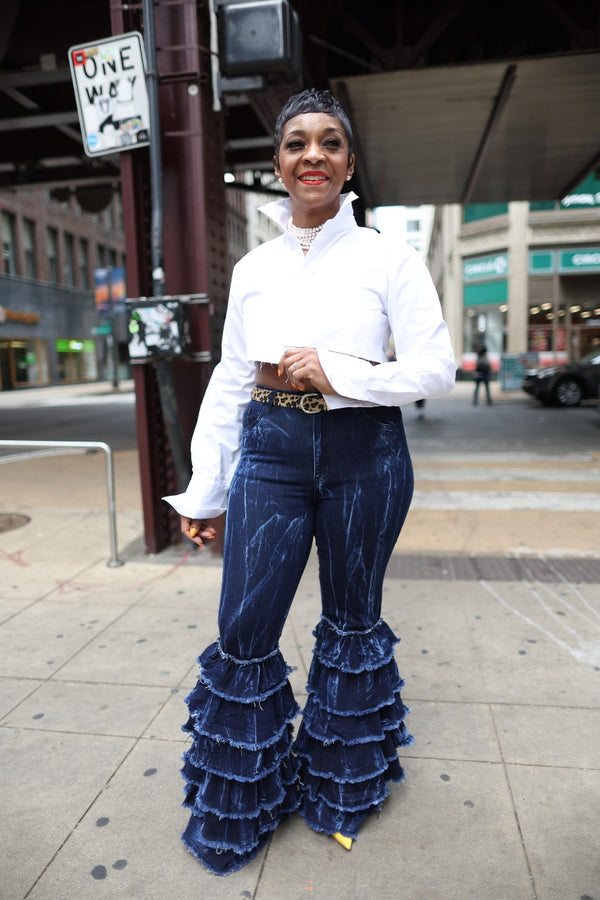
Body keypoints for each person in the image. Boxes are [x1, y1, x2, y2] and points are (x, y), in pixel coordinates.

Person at [164, 88, 456, 876]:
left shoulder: (386, 258)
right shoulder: (255, 268)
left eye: (330, 143)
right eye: (297, 143)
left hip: (367, 456)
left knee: (354, 623)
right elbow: (229, 381)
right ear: (279, 165)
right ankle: (246, 802)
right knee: (244, 630)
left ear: (349, 163)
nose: (313, 155)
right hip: (271, 450)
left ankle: (342, 786)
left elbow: (436, 367)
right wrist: (205, 490)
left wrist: (340, 371)